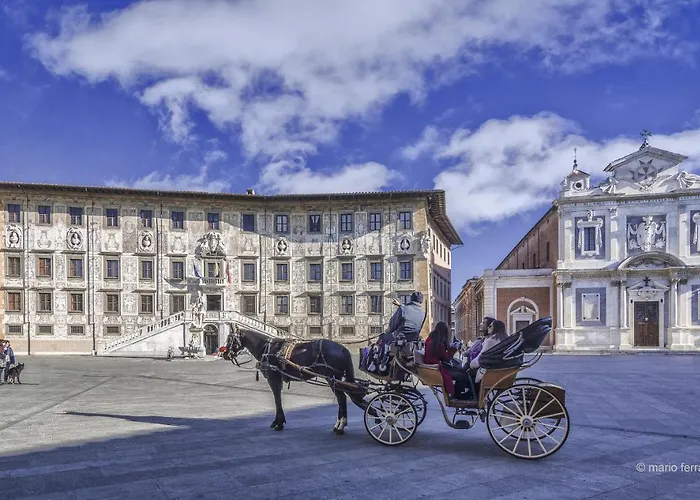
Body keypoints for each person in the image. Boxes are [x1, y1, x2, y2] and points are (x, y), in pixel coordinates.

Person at [464, 320, 508, 399]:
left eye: (490, 326)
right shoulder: (504, 339)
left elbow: (481, 357)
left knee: (469, 372)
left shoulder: (491, 341)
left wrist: (471, 364)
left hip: (491, 370)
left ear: (496, 328)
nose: (488, 328)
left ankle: (475, 396)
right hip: (501, 369)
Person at [424, 322, 467, 398]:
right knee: (461, 376)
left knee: (461, 372)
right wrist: (452, 350)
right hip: (437, 368)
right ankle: (457, 396)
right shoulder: (437, 343)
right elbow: (445, 357)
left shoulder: (433, 340)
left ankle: (457, 394)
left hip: (436, 366)